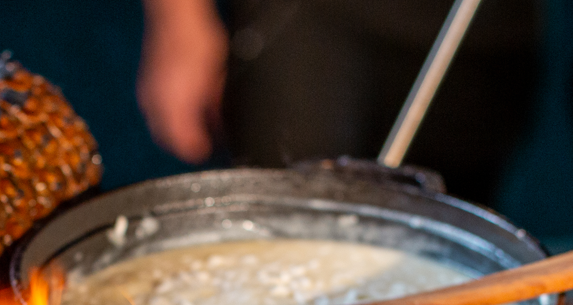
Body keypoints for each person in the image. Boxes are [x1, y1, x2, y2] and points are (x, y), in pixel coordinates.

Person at [138, 0, 543, 205]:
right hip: (313, 20)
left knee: (452, 252)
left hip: (488, 32)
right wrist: (177, 19)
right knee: (284, 230)